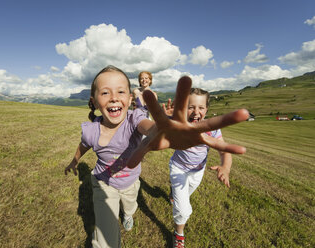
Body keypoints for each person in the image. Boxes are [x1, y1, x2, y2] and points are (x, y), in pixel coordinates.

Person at [65, 65, 249, 248]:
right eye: (105, 93)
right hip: (103, 183)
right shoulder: (90, 131)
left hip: (130, 181)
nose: (113, 98)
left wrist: (162, 130)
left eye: (120, 91)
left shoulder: (135, 118)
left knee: (129, 206)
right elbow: (83, 146)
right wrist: (74, 160)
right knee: (105, 236)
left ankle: (128, 213)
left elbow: (149, 127)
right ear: (94, 101)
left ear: (130, 100)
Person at [163, 88, 234, 248]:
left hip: (198, 171)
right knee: (183, 210)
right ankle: (179, 235)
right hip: (178, 168)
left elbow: (223, 149)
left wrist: (225, 167)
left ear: (206, 110)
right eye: (191, 107)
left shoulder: (213, 128)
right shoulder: (180, 123)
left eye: (201, 108)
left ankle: (174, 193)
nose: (196, 112)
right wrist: (167, 118)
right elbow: (162, 130)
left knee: (184, 197)